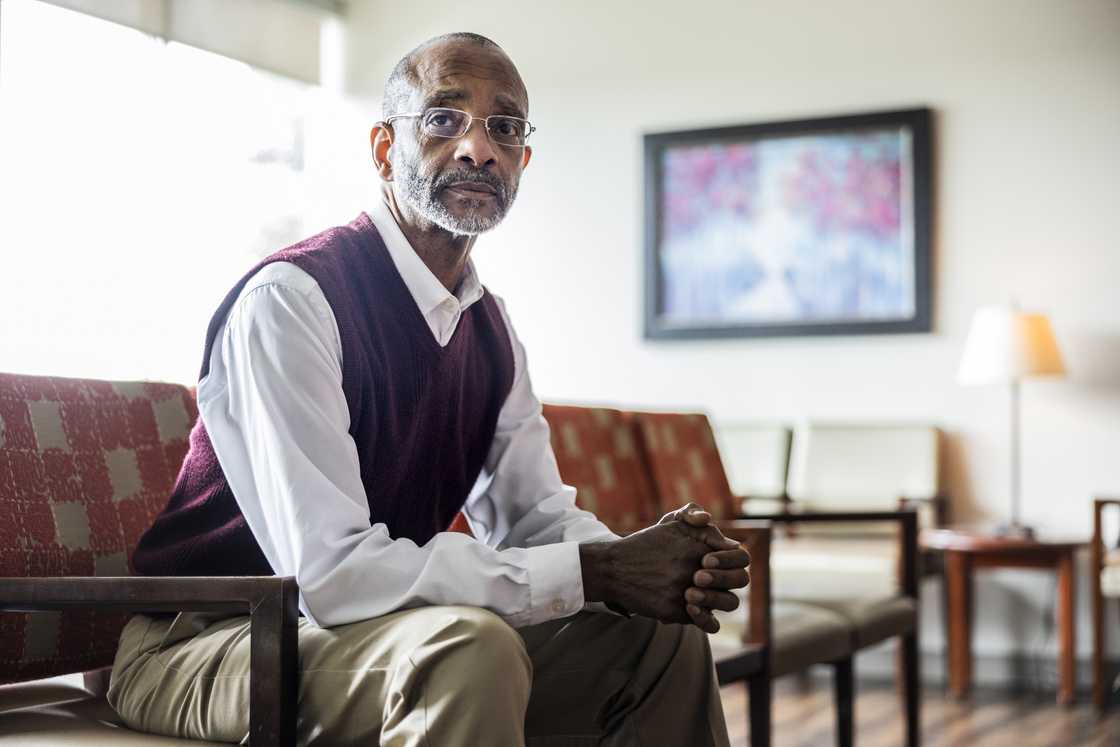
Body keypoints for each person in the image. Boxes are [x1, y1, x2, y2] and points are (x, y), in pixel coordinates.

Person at [107, 31, 749, 746]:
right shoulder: (294, 300)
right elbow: (333, 577)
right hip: (209, 643)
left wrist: (644, 564)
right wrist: (596, 570)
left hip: (364, 635)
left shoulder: (490, 330)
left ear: (521, 161)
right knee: (468, 649)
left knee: (659, 644)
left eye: (503, 128)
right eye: (444, 119)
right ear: (384, 148)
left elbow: (535, 518)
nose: (478, 148)